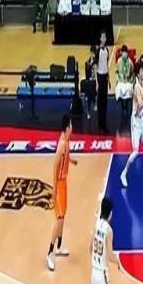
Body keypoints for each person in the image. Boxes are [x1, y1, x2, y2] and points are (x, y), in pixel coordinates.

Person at [46, 115, 78, 271]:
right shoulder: (62, 144)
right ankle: (50, 252)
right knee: (58, 218)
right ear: (67, 128)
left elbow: (66, 157)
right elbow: (55, 165)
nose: (72, 127)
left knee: (63, 216)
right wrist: (54, 189)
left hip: (64, 182)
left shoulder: (67, 141)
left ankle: (59, 245)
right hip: (59, 184)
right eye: (71, 125)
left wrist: (71, 161)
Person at [120, 62, 143, 188]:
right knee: (136, 151)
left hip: (141, 120)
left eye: (142, 71)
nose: (142, 73)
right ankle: (123, 173)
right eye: (140, 71)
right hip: (135, 121)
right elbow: (140, 105)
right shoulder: (136, 87)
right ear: (137, 73)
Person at [95, 31, 110, 133]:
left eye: (105, 37)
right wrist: (97, 82)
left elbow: (106, 64)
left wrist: (108, 77)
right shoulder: (98, 51)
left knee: (105, 101)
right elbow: (96, 67)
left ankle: (104, 124)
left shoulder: (107, 50)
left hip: (105, 76)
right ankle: (100, 124)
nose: (104, 38)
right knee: (100, 101)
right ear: (100, 39)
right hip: (99, 76)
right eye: (103, 37)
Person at [115, 45, 134, 118]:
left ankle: (126, 106)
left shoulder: (130, 63)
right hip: (120, 81)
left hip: (128, 81)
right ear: (121, 53)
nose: (124, 54)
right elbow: (116, 71)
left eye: (125, 52)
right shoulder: (119, 61)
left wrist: (131, 81)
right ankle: (122, 105)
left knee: (128, 90)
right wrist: (118, 79)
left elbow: (133, 73)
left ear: (127, 53)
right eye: (123, 52)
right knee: (119, 89)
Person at [83, 46, 98, 119]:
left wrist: (97, 83)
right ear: (91, 53)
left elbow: (97, 74)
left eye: (94, 53)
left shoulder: (97, 63)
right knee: (89, 97)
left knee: (91, 95)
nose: (93, 55)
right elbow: (86, 75)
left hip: (94, 82)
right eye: (92, 53)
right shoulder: (87, 63)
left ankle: (94, 101)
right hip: (89, 82)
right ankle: (88, 111)